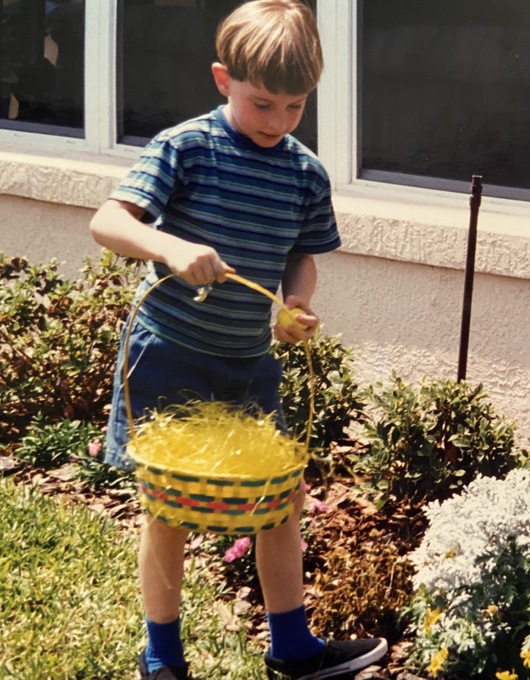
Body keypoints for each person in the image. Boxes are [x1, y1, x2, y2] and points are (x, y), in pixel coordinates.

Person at [88, 2, 387, 679]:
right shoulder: (186, 146)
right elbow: (108, 222)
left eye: (293, 107)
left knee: (277, 505)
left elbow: (302, 255)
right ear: (224, 80)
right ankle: (161, 658)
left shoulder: (304, 172)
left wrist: (298, 303)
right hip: (168, 353)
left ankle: (292, 648)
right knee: (167, 510)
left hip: (247, 362)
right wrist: (167, 246)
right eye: (262, 104)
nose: (278, 121)